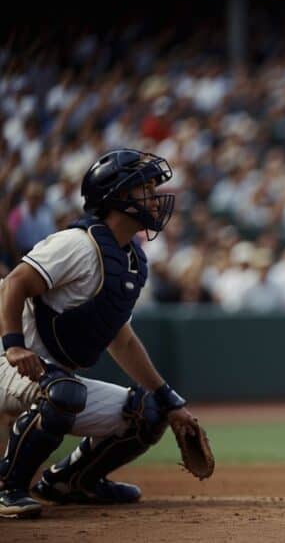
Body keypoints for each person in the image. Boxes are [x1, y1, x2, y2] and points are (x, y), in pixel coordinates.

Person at [0, 149, 200, 519]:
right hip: (6, 362)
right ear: (117, 195)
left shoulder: (128, 258)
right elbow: (12, 284)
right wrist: (13, 346)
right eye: (144, 188)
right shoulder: (77, 243)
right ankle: (7, 487)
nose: (155, 197)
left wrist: (170, 400)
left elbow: (121, 339)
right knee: (64, 392)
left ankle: (71, 482)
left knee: (147, 411)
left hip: (50, 379)